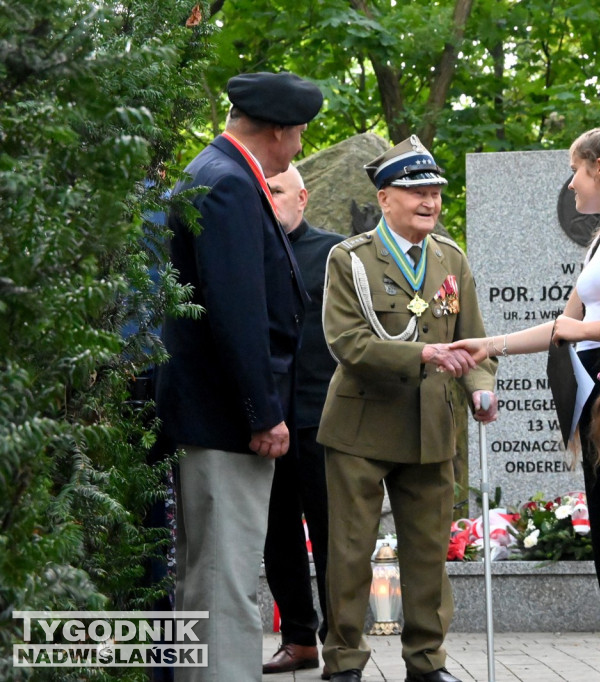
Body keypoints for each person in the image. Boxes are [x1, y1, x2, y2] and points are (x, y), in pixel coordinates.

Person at [453, 124, 600, 681]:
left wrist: (594, 330)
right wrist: (491, 344)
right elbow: (566, 326)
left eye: (576, 169)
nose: (572, 182)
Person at [155, 71, 323, 681]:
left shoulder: (214, 172)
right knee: (225, 582)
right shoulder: (227, 184)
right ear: (278, 129)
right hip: (227, 421)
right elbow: (236, 312)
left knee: (212, 574)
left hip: (216, 415)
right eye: (300, 132)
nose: (301, 145)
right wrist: (264, 412)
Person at [317, 135, 498, 682]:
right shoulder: (349, 259)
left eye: (436, 191)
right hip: (362, 426)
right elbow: (346, 342)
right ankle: (344, 662)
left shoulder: (451, 258)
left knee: (428, 556)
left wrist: (481, 387)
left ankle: (426, 663)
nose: (430, 201)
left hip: (431, 427)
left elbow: (474, 343)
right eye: (415, 190)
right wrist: (421, 353)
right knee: (351, 554)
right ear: (384, 197)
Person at [261, 164, 344, 677]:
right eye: (262, 191)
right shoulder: (249, 253)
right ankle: (298, 639)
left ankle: (339, 642)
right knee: (278, 535)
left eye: (276, 190)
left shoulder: (337, 254)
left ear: (303, 197)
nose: (268, 200)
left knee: (335, 534)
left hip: (324, 418)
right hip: (268, 419)